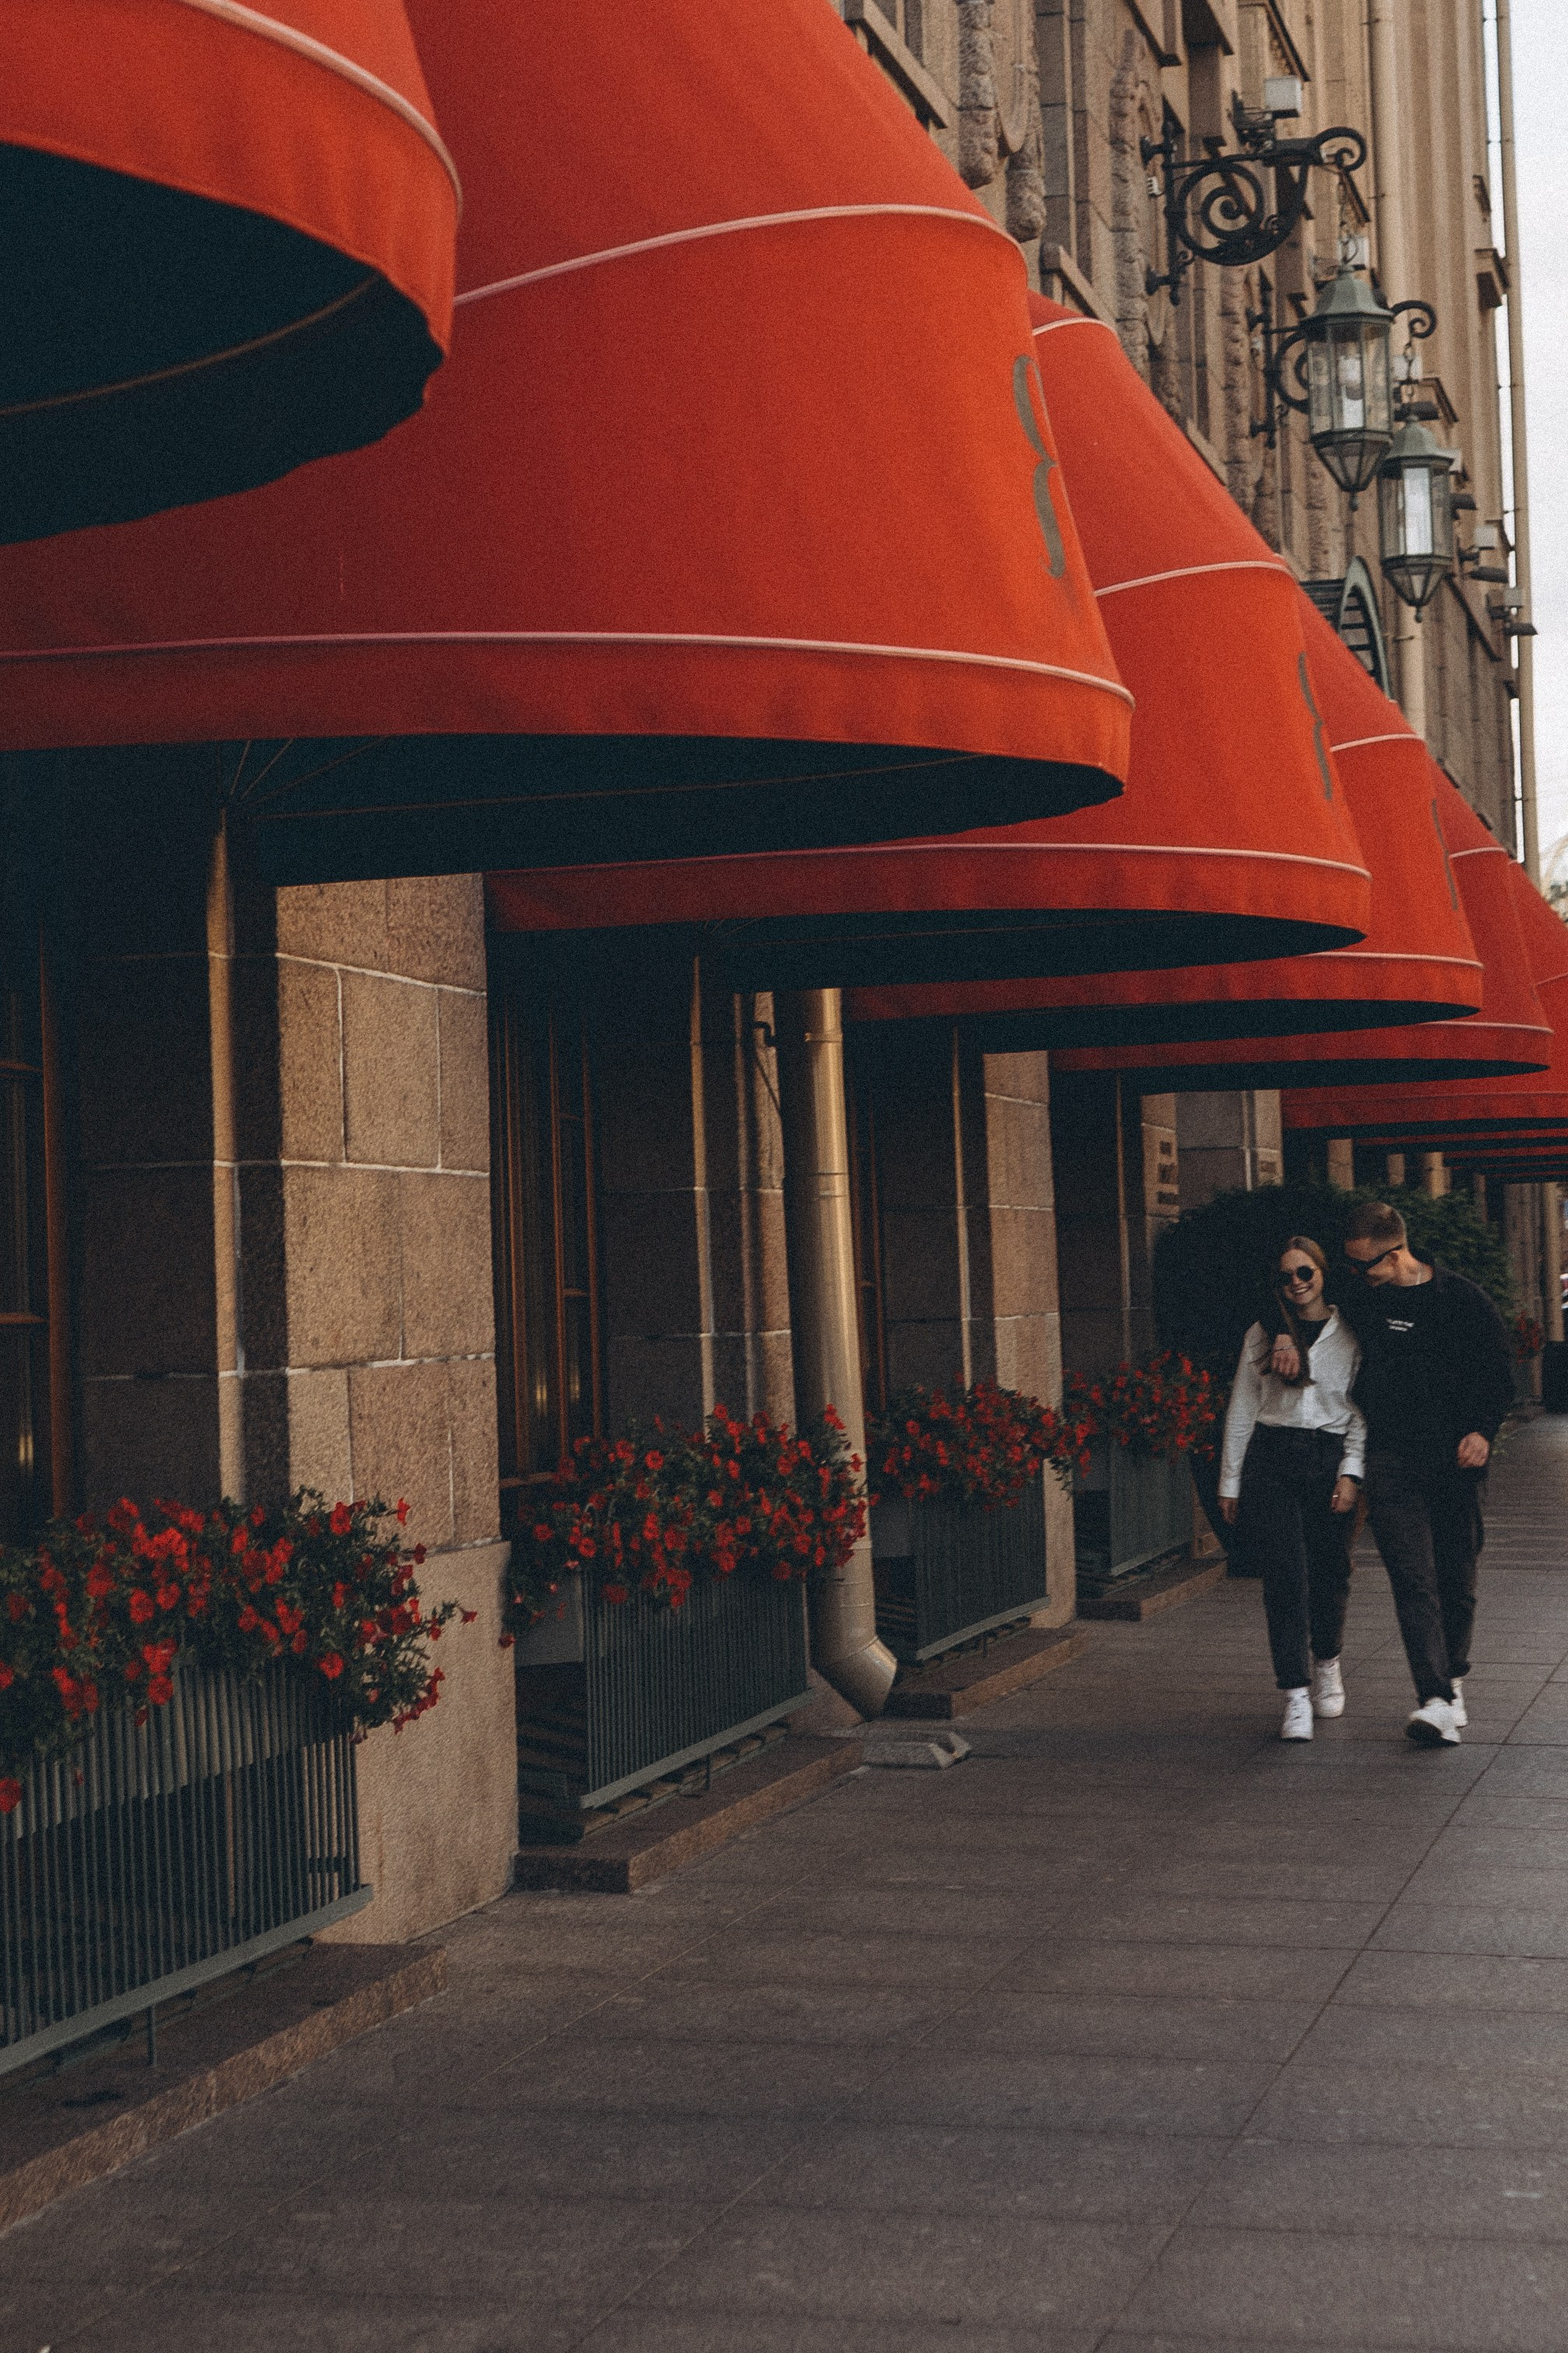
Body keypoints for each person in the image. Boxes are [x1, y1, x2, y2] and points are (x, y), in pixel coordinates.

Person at [1272, 1199, 1514, 1748]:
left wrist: (1481, 1430)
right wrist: (1279, 1331)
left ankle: (1451, 1680)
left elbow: (1497, 1373)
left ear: (1397, 1253)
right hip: (1389, 1458)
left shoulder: (1460, 1299)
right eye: (1351, 1268)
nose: (1356, 1278)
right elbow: (1287, 1290)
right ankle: (1432, 1697)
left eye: (1366, 1266)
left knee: (1457, 1578)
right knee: (1412, 1578)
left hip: (1455, 1459)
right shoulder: (1361, 1296)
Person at [1220, 1238, 1365, 1741]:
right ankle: (1294, 1692)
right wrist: (1230, 1481)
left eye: (1304, 1271)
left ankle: (1326, 1660)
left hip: (1328, 1457)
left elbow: (1360, 1410)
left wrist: (1350, 1471)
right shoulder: (1262, 1333)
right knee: (1283, 1577)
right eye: (1285, 1276)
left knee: (1330, 1571)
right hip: (1272, 1459)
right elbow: (1241, 1407)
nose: (1296, 1282)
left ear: (1322, 1273)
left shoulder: (1349, 1332)